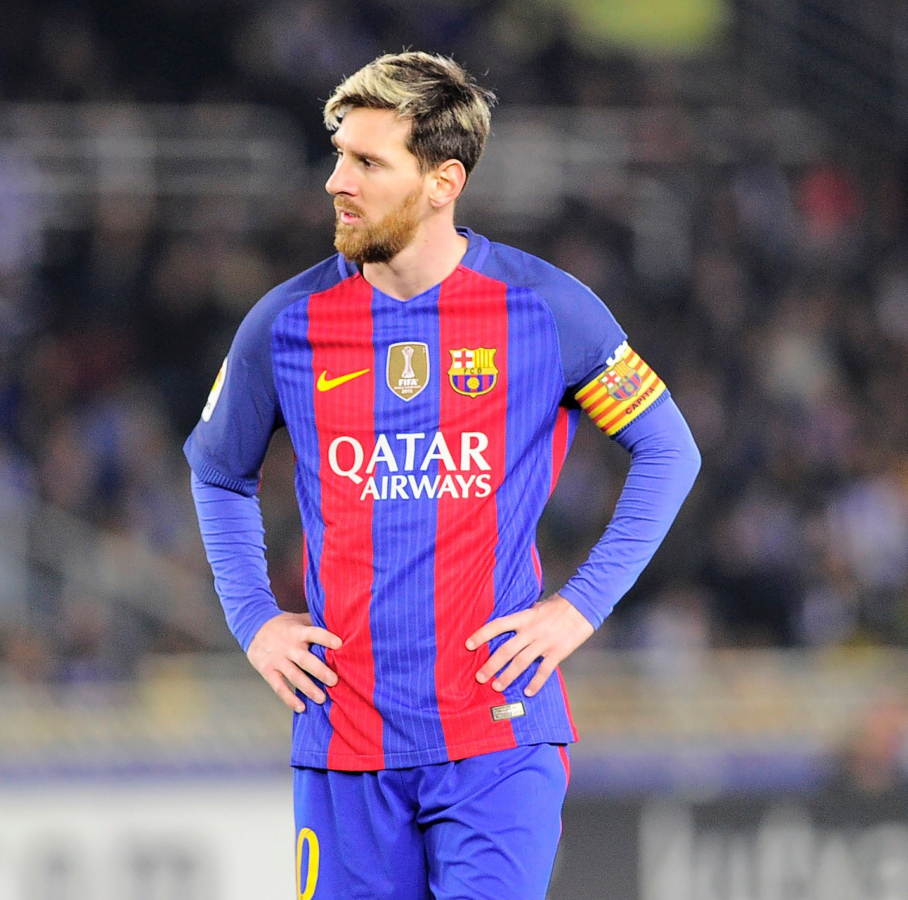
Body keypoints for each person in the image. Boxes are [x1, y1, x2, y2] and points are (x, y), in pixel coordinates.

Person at [184, 51, 700, 900]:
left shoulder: (547, 308)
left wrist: (577, 609)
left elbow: (670, 450)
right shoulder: (284, 324)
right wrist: (252, 617)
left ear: (442, 181)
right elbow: (219, 475)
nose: (336, 182)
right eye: (339, 154)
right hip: (346, 739)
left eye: (367, 162)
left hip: (496, 738)